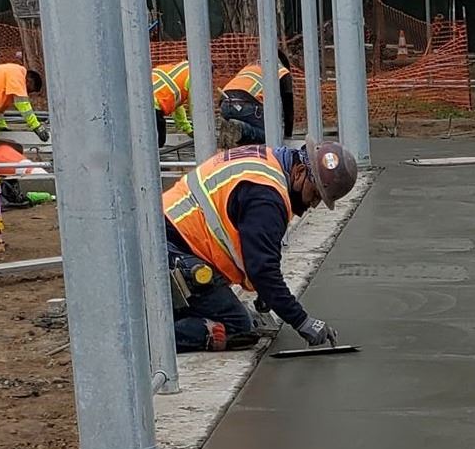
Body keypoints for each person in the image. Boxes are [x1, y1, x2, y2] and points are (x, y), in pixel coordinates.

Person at [162, 140, 356, 353]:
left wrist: (265, 294)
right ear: (300, 172)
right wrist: (302, 321)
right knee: (238, 327)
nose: (314, 204)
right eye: (315, 194)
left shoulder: (266, 163)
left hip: (167, 237)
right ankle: (152, 340)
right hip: (175, 253)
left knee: (228, 311)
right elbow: (263, 269)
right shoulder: (266, 197)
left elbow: (257, 246)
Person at [216, 56, 295, 146]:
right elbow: (288, 107)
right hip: (246, 104)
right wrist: (288, 136)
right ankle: (242, 129)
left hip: (225, 103)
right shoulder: (282, 72)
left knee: (241, 133)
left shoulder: (249, 68)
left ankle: (231, 130)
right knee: (271, 136)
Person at [150, 58, 193, 148]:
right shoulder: (193, 77)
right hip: (152, 106)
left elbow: (177, 108)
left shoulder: (173, 69)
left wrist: (188, 129)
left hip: (136, 101)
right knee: (157, 143)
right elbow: (195, 107)